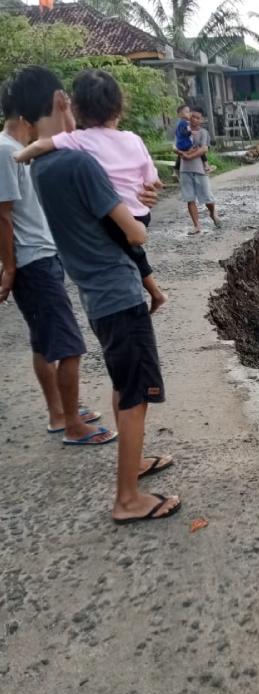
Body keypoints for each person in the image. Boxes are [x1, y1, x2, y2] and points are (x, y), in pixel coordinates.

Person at [8, 66, 179, 524]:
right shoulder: (80, 162)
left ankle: (134, 461)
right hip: (117, 291)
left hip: (95, 289)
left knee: (124, 384)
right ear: (62, 102)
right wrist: (141, 212)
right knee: (136, 394)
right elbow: (134, 232)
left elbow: (103, 211)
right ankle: (128, 499)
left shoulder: (46, 164)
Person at [1, 80, 115, 445]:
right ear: (29, 114)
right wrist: (11, 267)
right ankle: (71, 425)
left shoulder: (19, 149)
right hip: (32, 261)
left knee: (44, 342)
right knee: (69, 345)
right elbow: (2, 216)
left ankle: (61, 411)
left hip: (38, 257)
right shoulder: (6, 151)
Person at [13, 69, 167, 313]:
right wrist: (146, 188)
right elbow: (152, 180)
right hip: (139, 212)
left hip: (117, 221)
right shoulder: (133, 138)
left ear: (77, 108)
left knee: (132, 246)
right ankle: (156, 291)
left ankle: (155, 291)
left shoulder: (79, 142)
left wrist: (21, 154)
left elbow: (44, 144)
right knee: (134, 249)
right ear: (119, 107)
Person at [177, 106, 219, 235]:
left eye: (197, 118)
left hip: (200, 169)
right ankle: (197, 225)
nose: (194, 119)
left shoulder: (203, 132)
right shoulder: (181, 130)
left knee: (207, 197)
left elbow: (204, 149)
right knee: (190, 199)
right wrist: (180, 152)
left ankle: (213, 214)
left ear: (201, 120)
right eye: (192, 116)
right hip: (185, 169)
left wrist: (189, 155)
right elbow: (175, 146)